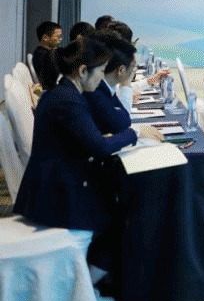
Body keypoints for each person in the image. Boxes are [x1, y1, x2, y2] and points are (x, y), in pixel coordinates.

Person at [13, 36, 163, 275]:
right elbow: (99, 146)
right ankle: (87, 285)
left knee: (123, 202)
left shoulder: (65, 93)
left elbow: (88, 139)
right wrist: (134, 133)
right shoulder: (68, 101)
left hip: (56, 183)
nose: (103, 78)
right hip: (57, 196)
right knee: (127, 215)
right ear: (83, 71)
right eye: (101, 71)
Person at [85, 33, 139, 133]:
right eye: (133, 68)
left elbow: (124, 118)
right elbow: (121, 124)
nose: (133, 72)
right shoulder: (96, 91)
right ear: (121, 70)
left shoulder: (107, 87)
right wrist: (126, 84)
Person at [31, 20, 63, 91]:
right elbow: (48, 82)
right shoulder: (43, 56)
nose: (60, 39)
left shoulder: (40, 53)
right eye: (58, 37)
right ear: (45, 38)